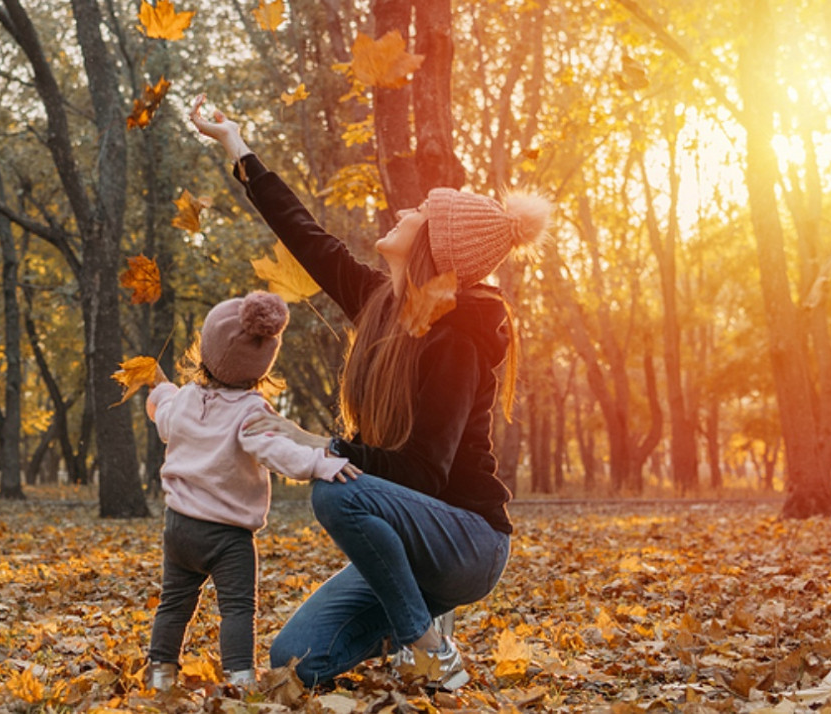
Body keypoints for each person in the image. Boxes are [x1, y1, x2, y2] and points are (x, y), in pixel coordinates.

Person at [189, 94, 552, 691]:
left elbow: (423, 474)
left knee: (335, 492)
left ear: (436, 245)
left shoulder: (458, 343)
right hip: (417, 546)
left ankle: (427, 645)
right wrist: (236, 145)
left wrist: (320, 446)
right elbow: (307, 237)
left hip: (468, 543)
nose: (406, 209)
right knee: (292, 663)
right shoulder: (386, 309)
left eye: (421, 212)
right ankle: (425, 626)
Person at [143, 290, 361, 691]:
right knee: (238, 608)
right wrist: (321, 463)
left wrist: (158, 394)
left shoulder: (187, 398)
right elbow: (279, 452)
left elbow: (164, 415)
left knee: (174, 604)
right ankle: (241, 679)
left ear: (205, 348)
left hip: (179, 527)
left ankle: (160, 673)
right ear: (261, 364)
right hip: (228, 536)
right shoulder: (250, 411)